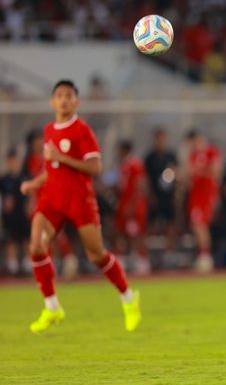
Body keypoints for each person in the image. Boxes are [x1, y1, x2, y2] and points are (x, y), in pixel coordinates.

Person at [19, 80, 140, 333]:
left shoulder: (81, 130)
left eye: (69, 95)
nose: (63, 100)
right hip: (52, 199)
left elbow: (95, 167)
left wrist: (61, 157)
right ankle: (52, 307)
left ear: (77, 102)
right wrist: (35, 183)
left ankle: (128, 298)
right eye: (59, 95)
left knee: (96, 255)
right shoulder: (49, 129)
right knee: (36, 245)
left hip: (79, 200)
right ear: (52, 102)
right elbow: (52, 169)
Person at [185, 129, 221, 272]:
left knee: (200, 225)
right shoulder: (192, 155)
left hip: (205, 195)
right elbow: (189, 174)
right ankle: (203, 255)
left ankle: (206, 257)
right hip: (195, 195)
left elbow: (216, 172)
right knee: (197, 225)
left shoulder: (211, 152)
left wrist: (198, 171)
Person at [143, 127, 179, 267]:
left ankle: (169, 254)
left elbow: (177, 173)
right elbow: (145, 178)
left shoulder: (171, 156)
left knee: (171, 224)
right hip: (154, 196)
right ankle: (144, 255)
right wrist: (150, 195)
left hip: (168, 197)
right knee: (150, 225)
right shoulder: (150, 157)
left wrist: (176, 194)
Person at [114, 140, 150, 275]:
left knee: (136, 233)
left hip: (134, 206)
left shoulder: (135, 165)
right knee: (122, 232)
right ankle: (123, 258)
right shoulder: (123, 165)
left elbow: (139, 186)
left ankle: (142, 259)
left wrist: (133, 205)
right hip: (124, 204)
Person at [1, 149, 30, 275]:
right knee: (10, 240)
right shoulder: (3, 180)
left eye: (15, 160)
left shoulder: (24, 178)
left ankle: (27, 265)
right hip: (9, 217)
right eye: (11, 161)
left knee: (26, 239)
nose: (13, 163)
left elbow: (30, 196)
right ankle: (12, 267)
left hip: (23, 215)